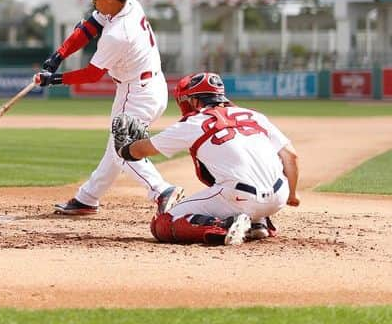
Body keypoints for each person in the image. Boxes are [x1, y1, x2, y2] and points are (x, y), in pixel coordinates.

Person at [34, 0, 181, 215]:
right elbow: (88, 27)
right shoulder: (128, 4)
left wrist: (53, 80)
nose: (93, 2)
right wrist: (58, 55)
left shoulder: (118, 34)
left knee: (122, 149)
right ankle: (88, 198)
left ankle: (161, 190)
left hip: (136, 94)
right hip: (149, 87)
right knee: (114, 147)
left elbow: (91, 75)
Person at [112, 71, 301, 245]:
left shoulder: (193, 123)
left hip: (240, 197)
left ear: (194, 101)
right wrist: (292, 194)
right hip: (279, 197)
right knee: (239, 176)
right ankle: (258, 223)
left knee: (162, 224)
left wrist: (124, 149)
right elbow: (291, 156)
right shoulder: (254, 115)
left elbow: (142, 151)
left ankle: (225, 225)